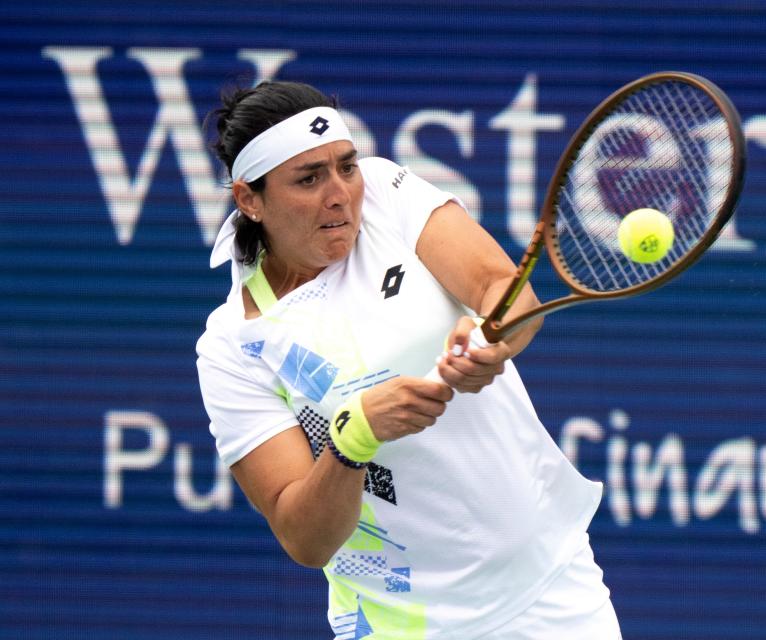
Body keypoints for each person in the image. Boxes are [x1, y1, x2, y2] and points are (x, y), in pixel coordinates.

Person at [196, 80, 621, 640]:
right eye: (308, 178)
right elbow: (305, 538)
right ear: (250, 199)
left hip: (549, 585)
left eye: (345, 166)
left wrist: (494, 340)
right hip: (402, 624)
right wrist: (354, 438)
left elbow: (502, 288)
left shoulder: (385, 191)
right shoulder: (233, 346)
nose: (340, 194)